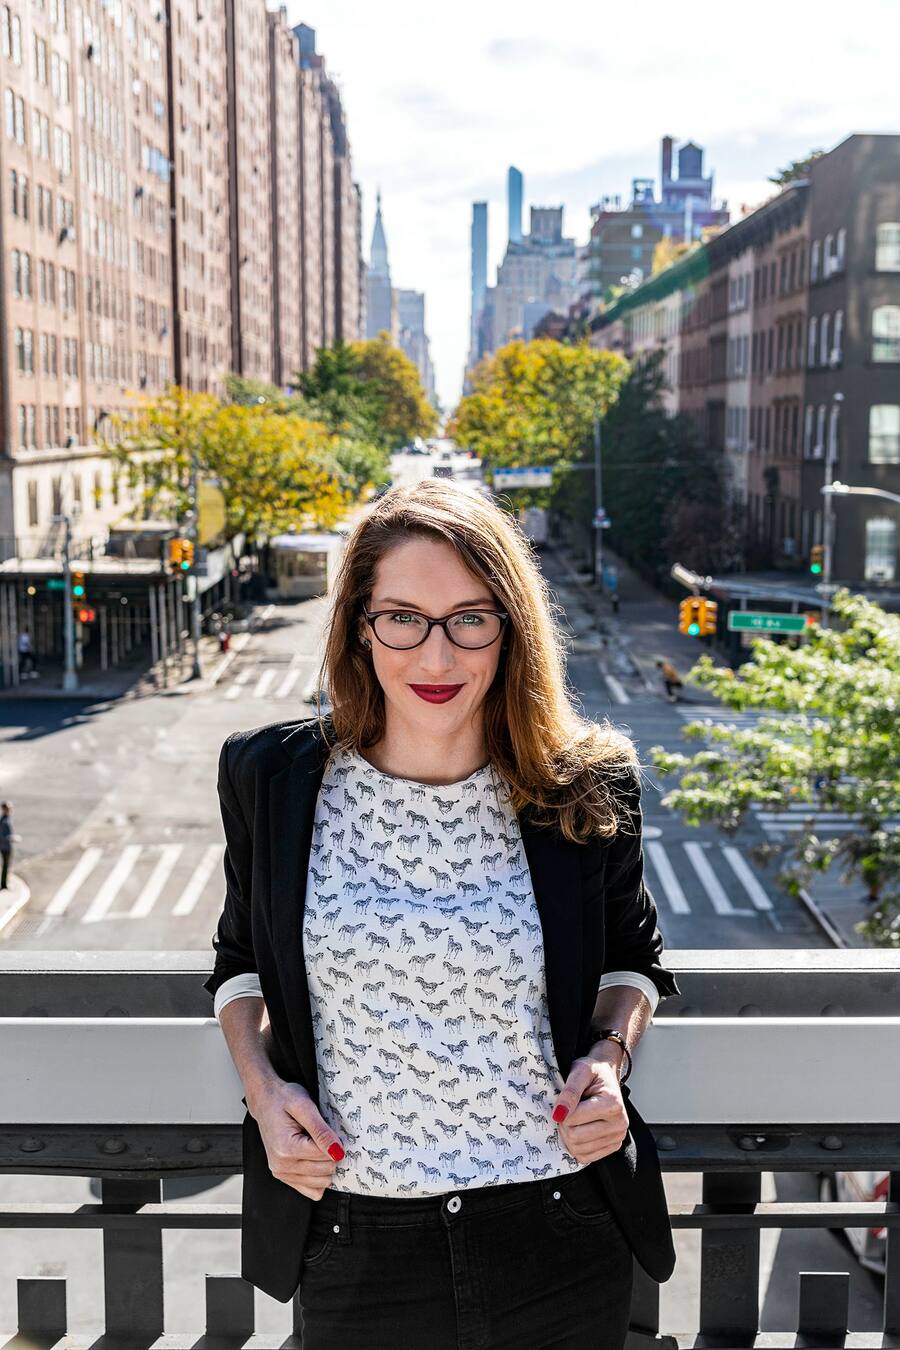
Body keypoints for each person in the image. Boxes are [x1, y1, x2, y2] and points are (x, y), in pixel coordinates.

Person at [205, 480, 680, 1349]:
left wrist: (611, 1057)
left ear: (510, 629)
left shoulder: (584, 784)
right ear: (359, 624)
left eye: (469, 618)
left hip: (561, 1228)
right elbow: (239, 961)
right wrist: (264, 1092)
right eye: (403, 618)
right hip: (354, 1239)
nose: (436, 656)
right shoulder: (271, 779)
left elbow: (633, 962)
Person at [1, 802, 14, 890]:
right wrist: (12, 838)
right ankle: (4, 884)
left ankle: (4, 883)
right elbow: (2, 836)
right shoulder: (4, 821)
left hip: (5, 846)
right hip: (5, 846)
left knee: (6, 865)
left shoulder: (5, 819)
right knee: (6, 865)